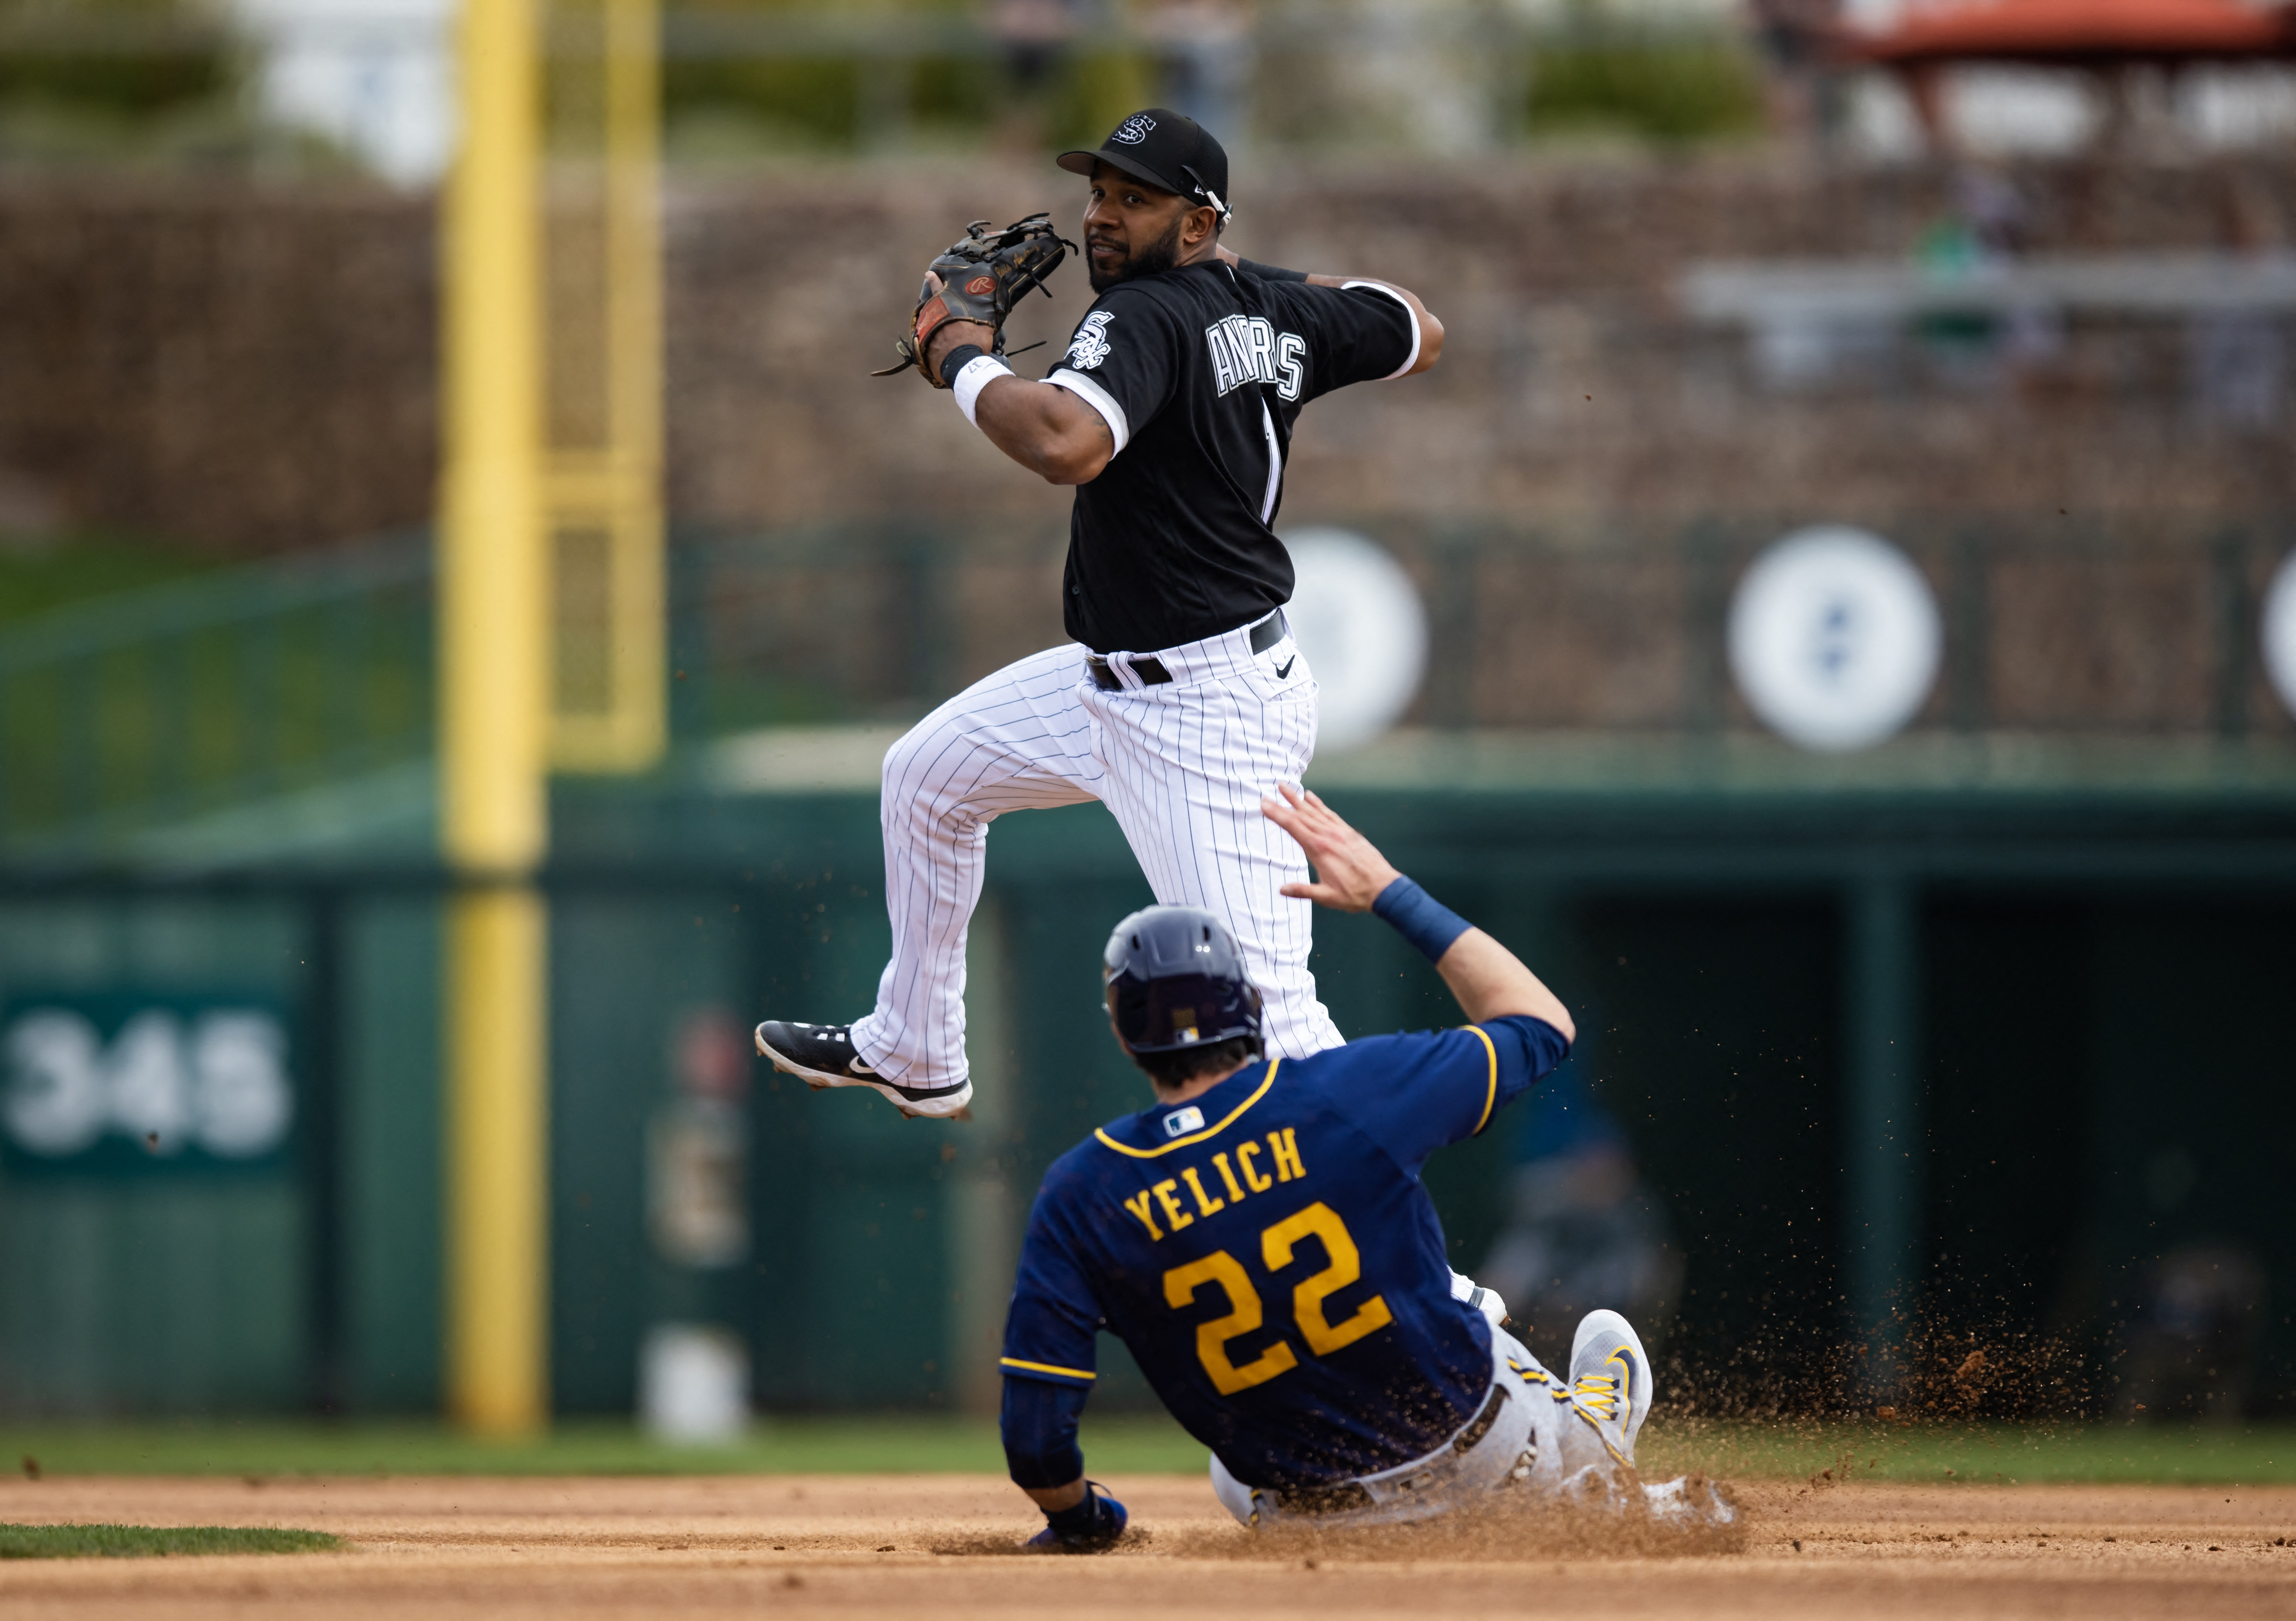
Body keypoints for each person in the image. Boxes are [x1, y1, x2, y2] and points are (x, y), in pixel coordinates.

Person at [754, 109, 1445, 1120]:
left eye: (1138, 199)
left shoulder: (1144, 315)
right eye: (1101, 193)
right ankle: (915, 1046)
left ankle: (1424, 1278)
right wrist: (1258, 286)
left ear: (1199, 222)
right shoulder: (1264, 307)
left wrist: (959, 355)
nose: (1102, 218)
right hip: (1119, 681)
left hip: (1202, 716)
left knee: (1278, 1033)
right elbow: (1420, 327)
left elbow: (1068, 444)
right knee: (927, 780)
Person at [997, 786, 1735, 1547]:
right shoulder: (1342, 1091)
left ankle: (1566, 1466)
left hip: (1311, 1518)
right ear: (1251, 1005)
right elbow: (1542, 1024)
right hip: (1487, 1458)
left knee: (1229, 1465)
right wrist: (1389, 891)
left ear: (1124, 1036)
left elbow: (1036, 1440)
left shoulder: (1083, 1188)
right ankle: (1589, 1446)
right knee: (1472, 1313)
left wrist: (1082, 1520)